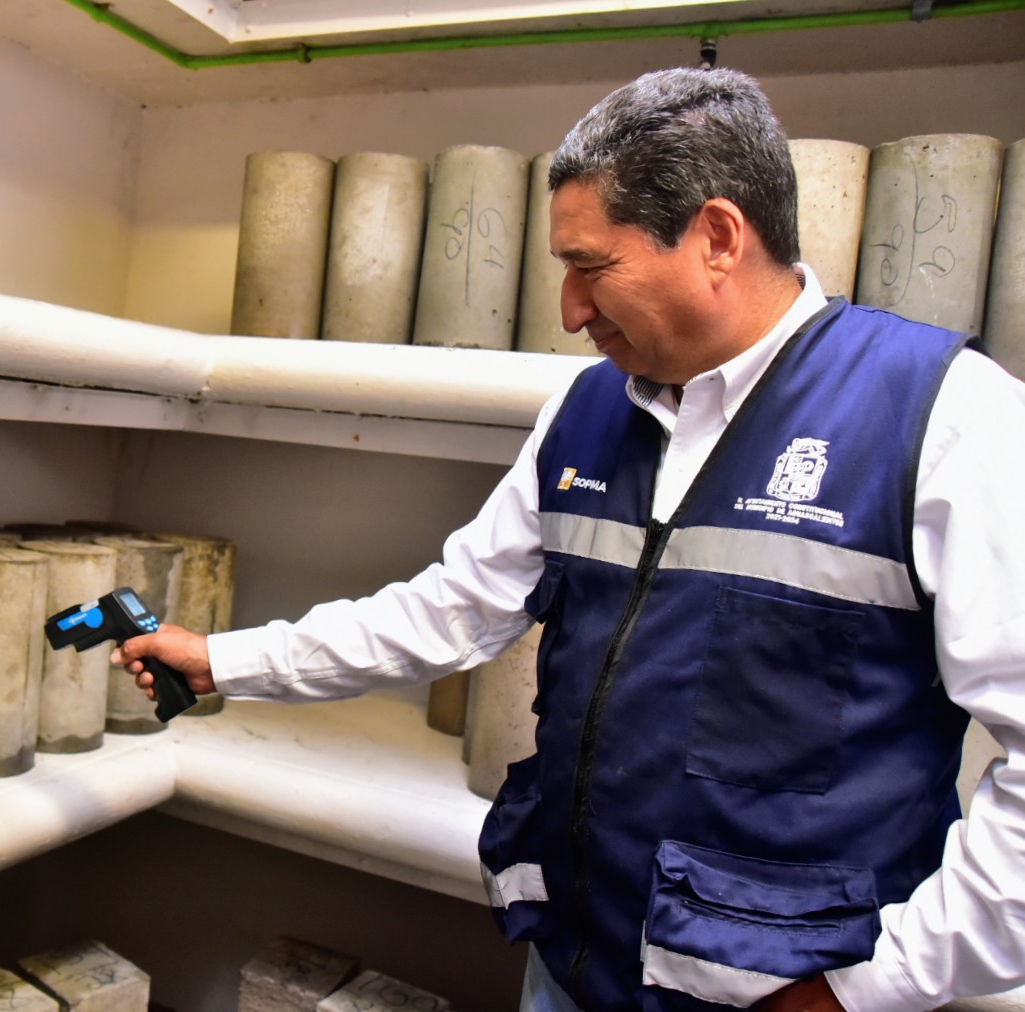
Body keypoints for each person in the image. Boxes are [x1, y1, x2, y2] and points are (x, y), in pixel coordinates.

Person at [114, 68, 1025, 1011]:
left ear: (718, 238)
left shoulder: (943, 418)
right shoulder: (587, 412)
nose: (570, 310)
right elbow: (452, 610)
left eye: (593, 267)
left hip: (783, 997)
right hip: (574, 969)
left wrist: (865, 990)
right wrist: (224, 660)